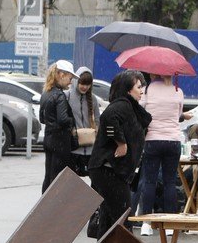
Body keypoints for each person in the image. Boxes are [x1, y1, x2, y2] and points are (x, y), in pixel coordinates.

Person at [87, 69, 151, 233]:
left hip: (115, 171)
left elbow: (143, 122)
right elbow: (108, 120)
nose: (142, 91)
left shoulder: (131, 107)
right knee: (122, 216)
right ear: (128, 89)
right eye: (138, 87)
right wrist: (121, 142)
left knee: (110, 218)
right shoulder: (121, 105)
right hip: (108, 170)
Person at [136, 72, 190, 234]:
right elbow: (178, 114)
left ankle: (146, 223)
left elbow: (141, 112)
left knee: (150, 181)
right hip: (173, 141)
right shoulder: (177, 91)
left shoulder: (147, 90)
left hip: (152, 140)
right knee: (170, 182)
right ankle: (170, 224)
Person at [39, 59, 77, 193]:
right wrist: (72, 121)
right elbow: (63, 120)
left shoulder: (46, 93)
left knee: (48, 175)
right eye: (70, 77)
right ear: (61, 74)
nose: (71, 81)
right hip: (60, 141)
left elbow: (42, 119)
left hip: (48, 138)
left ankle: (44, 207)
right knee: (59, 178)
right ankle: (55, 209)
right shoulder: (60, 96)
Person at [66, 66, 97, 177]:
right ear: (76, 81)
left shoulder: (93, 99)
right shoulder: (67, 96)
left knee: (94, 180)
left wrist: (96, 131)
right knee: (71, 181)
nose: (85, 87)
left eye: (88, 84)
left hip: (90, 149)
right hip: (74, 148)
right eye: (82, 83)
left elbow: (97, 120)